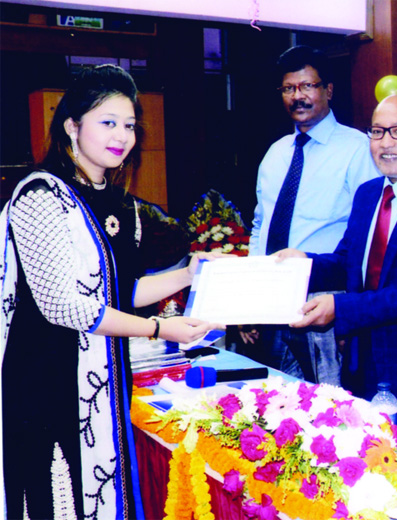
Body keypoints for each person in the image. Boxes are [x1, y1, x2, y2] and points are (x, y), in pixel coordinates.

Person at [0, 64, 222, 519]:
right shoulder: (40, 196)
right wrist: (160, 328)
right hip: (45, 384)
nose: (122, 136)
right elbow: (68, 304)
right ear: (71, 126)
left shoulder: (110, 200)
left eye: (129, 126)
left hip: (97, 379)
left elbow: (118, 291)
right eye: (107, 122)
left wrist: (189, 275)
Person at [276, 95, 397, 414]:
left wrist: (339, 307)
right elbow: (347, 263)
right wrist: (304, 263)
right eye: (377, 132)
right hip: (361, 367)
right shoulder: (368, 194)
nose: (385, 143)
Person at [245, 45, 378, 385]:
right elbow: (261, 226)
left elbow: (368, 236)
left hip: (326, 301)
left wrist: (353, 315)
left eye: (307, 86)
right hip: (271, 303)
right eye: (289, 88)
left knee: (331, 406)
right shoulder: (275, 153)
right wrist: (248, 300)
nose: (297, 96)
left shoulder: (357, 149)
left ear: (328, 90)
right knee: (275, 404)